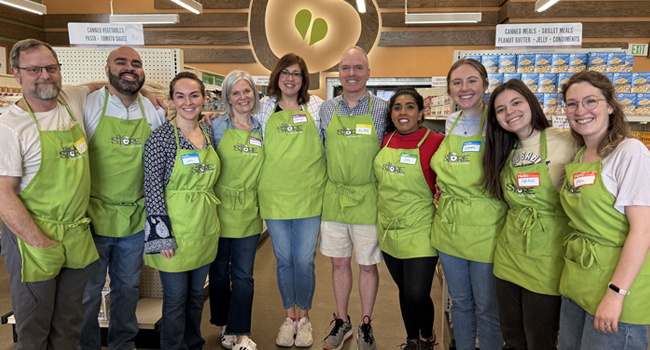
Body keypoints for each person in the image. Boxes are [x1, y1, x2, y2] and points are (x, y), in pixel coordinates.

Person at [0, 38, 101, 350]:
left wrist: (147, 95)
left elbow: (103, 84)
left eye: (51, 68)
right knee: (34, 324)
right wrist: (39, 241)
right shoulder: (10, 126)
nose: (44, 75)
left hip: (75, 234)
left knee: (71, 321)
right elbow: (3, 195)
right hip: (33, 236)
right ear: (16, 74)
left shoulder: (70, 99)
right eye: (34, 69)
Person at [79, 46, 167, 350]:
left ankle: (123, 345)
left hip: (134, 218)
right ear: (107, 70)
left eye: (136, 64)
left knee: (127, 290)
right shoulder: (88, 105)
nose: (130, 68)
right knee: (88, 294)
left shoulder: (153, 111)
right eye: (121, 62)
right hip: (93, 218)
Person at [482, 79, 578, 350]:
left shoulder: (566, 139)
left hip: (548, 257)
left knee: (541, 340)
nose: (509, 112)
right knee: (512, 338)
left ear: (531, 104)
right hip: (509, 255)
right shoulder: (503, 148)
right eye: (500, 109)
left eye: (516, 103)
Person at [556, 71, 650, 350]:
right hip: (578, 283)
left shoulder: (630, 152)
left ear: (610, 105)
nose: (580, 111)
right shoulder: (579, 155)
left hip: (617, 286)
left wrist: (616, 294)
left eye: (590, 101)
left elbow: (643, 230)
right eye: (572, 104)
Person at [429, 58, 507, 350]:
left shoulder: (499, 122)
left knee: (488, 307)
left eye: (472, 80)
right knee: (459, 303)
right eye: (457, 82)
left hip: (487, 228)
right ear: (450, 89)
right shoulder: (452, 121)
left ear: (486, 85)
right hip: (450, 228)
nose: (464, 88)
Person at [143, 72, 220, 350]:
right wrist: (162, 235)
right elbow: (151, 189)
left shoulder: (209, 132)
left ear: (203, 98)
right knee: (175, 299)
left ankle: (194, 345)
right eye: (181, 96)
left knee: (196, 297)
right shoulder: (160, 139)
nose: (188, 102)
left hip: (203, 227)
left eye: (194, 95)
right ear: (172, 100)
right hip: (174, 230)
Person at [254, 53, 326, 348]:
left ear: (304, 79)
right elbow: (236, 118)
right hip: (275, 196)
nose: (290, 79)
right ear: (276, 76)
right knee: (283, 261)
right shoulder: (263, 107)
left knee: (304, 261)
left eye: (296, 74)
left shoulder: (317, 106)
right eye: (285, 73)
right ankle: (289, 318)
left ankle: (305, 318)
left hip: (310, 195)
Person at [319, 46, 389, 350]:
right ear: (338, 73)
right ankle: (343, 321)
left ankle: (365, 324)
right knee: (338, 263)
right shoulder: (326, 109)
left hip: (368, 196)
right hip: (334, 196)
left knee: (368, 265)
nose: (351, 73)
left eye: (358, 68)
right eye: (345, 68)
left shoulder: (383, 109)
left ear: (368, 73)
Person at [373, 87, 444, 350]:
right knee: (404, 290)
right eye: (397, 107)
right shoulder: (386, 140)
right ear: (391, 114)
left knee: (417, 292)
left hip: (420, 229)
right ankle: (411, 339)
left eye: (410, 106)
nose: (403, 112)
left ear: (421, 112)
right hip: (389, 229)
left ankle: (427, 335)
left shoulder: (436, 141)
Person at [208, 70, 263, 350]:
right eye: (236, 92)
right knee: (218, 275)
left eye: (247, 91)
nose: (243, 97)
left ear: (254, 94)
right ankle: (224, 323)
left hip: (249, 212)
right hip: (219, 210)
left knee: (244, 276)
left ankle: (241, 333)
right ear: (228, 98)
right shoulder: (216, 126)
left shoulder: (261, 128)